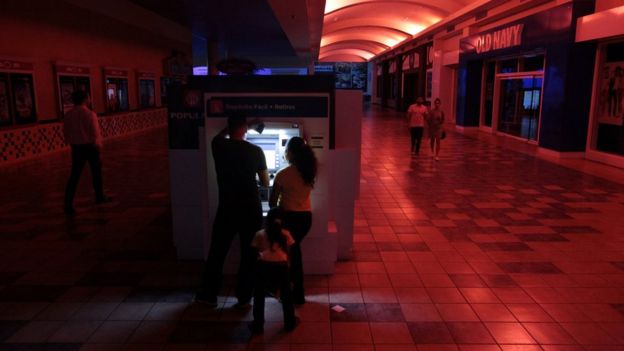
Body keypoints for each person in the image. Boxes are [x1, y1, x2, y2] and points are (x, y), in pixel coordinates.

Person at [196, 114, 270, 308]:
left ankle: (208, 295)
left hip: (227, 207)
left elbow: (221, 135)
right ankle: (244, 296)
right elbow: (264, 182)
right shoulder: (256, 151)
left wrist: (242, 125)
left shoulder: (217, 145)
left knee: (217, 251)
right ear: (245, 129)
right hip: (250, 208)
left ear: (229, 128)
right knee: (249, 253)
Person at [269, 136, 317, 305]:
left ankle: (292, 292)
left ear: (289, 153)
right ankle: (296, 292)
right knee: (294, 252)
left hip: (289, 218)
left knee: (290, 255)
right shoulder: (309, 171)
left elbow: (272, 203)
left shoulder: (282, 175)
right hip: (305, 218)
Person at [249, 207, 298, 333]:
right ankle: (289, 322)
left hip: (263, 267)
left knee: (259, 295)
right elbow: (289, 256)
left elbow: (254, 254)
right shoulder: (286, 234)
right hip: (281, 267)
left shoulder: (259, 234)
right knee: (286, 295)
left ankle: (258, 324)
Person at [63, 90, 110, 215]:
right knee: (96, 173)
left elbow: (66, 132)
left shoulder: (68, 115)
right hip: (90, 147)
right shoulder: (90, 114)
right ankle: (99, 196)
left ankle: (68, 203)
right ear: (85, 99)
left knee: (74, 175)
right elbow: (95, 133)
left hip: (76, 148)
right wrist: (98, 146)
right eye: (88, 97)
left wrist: (71, 143)